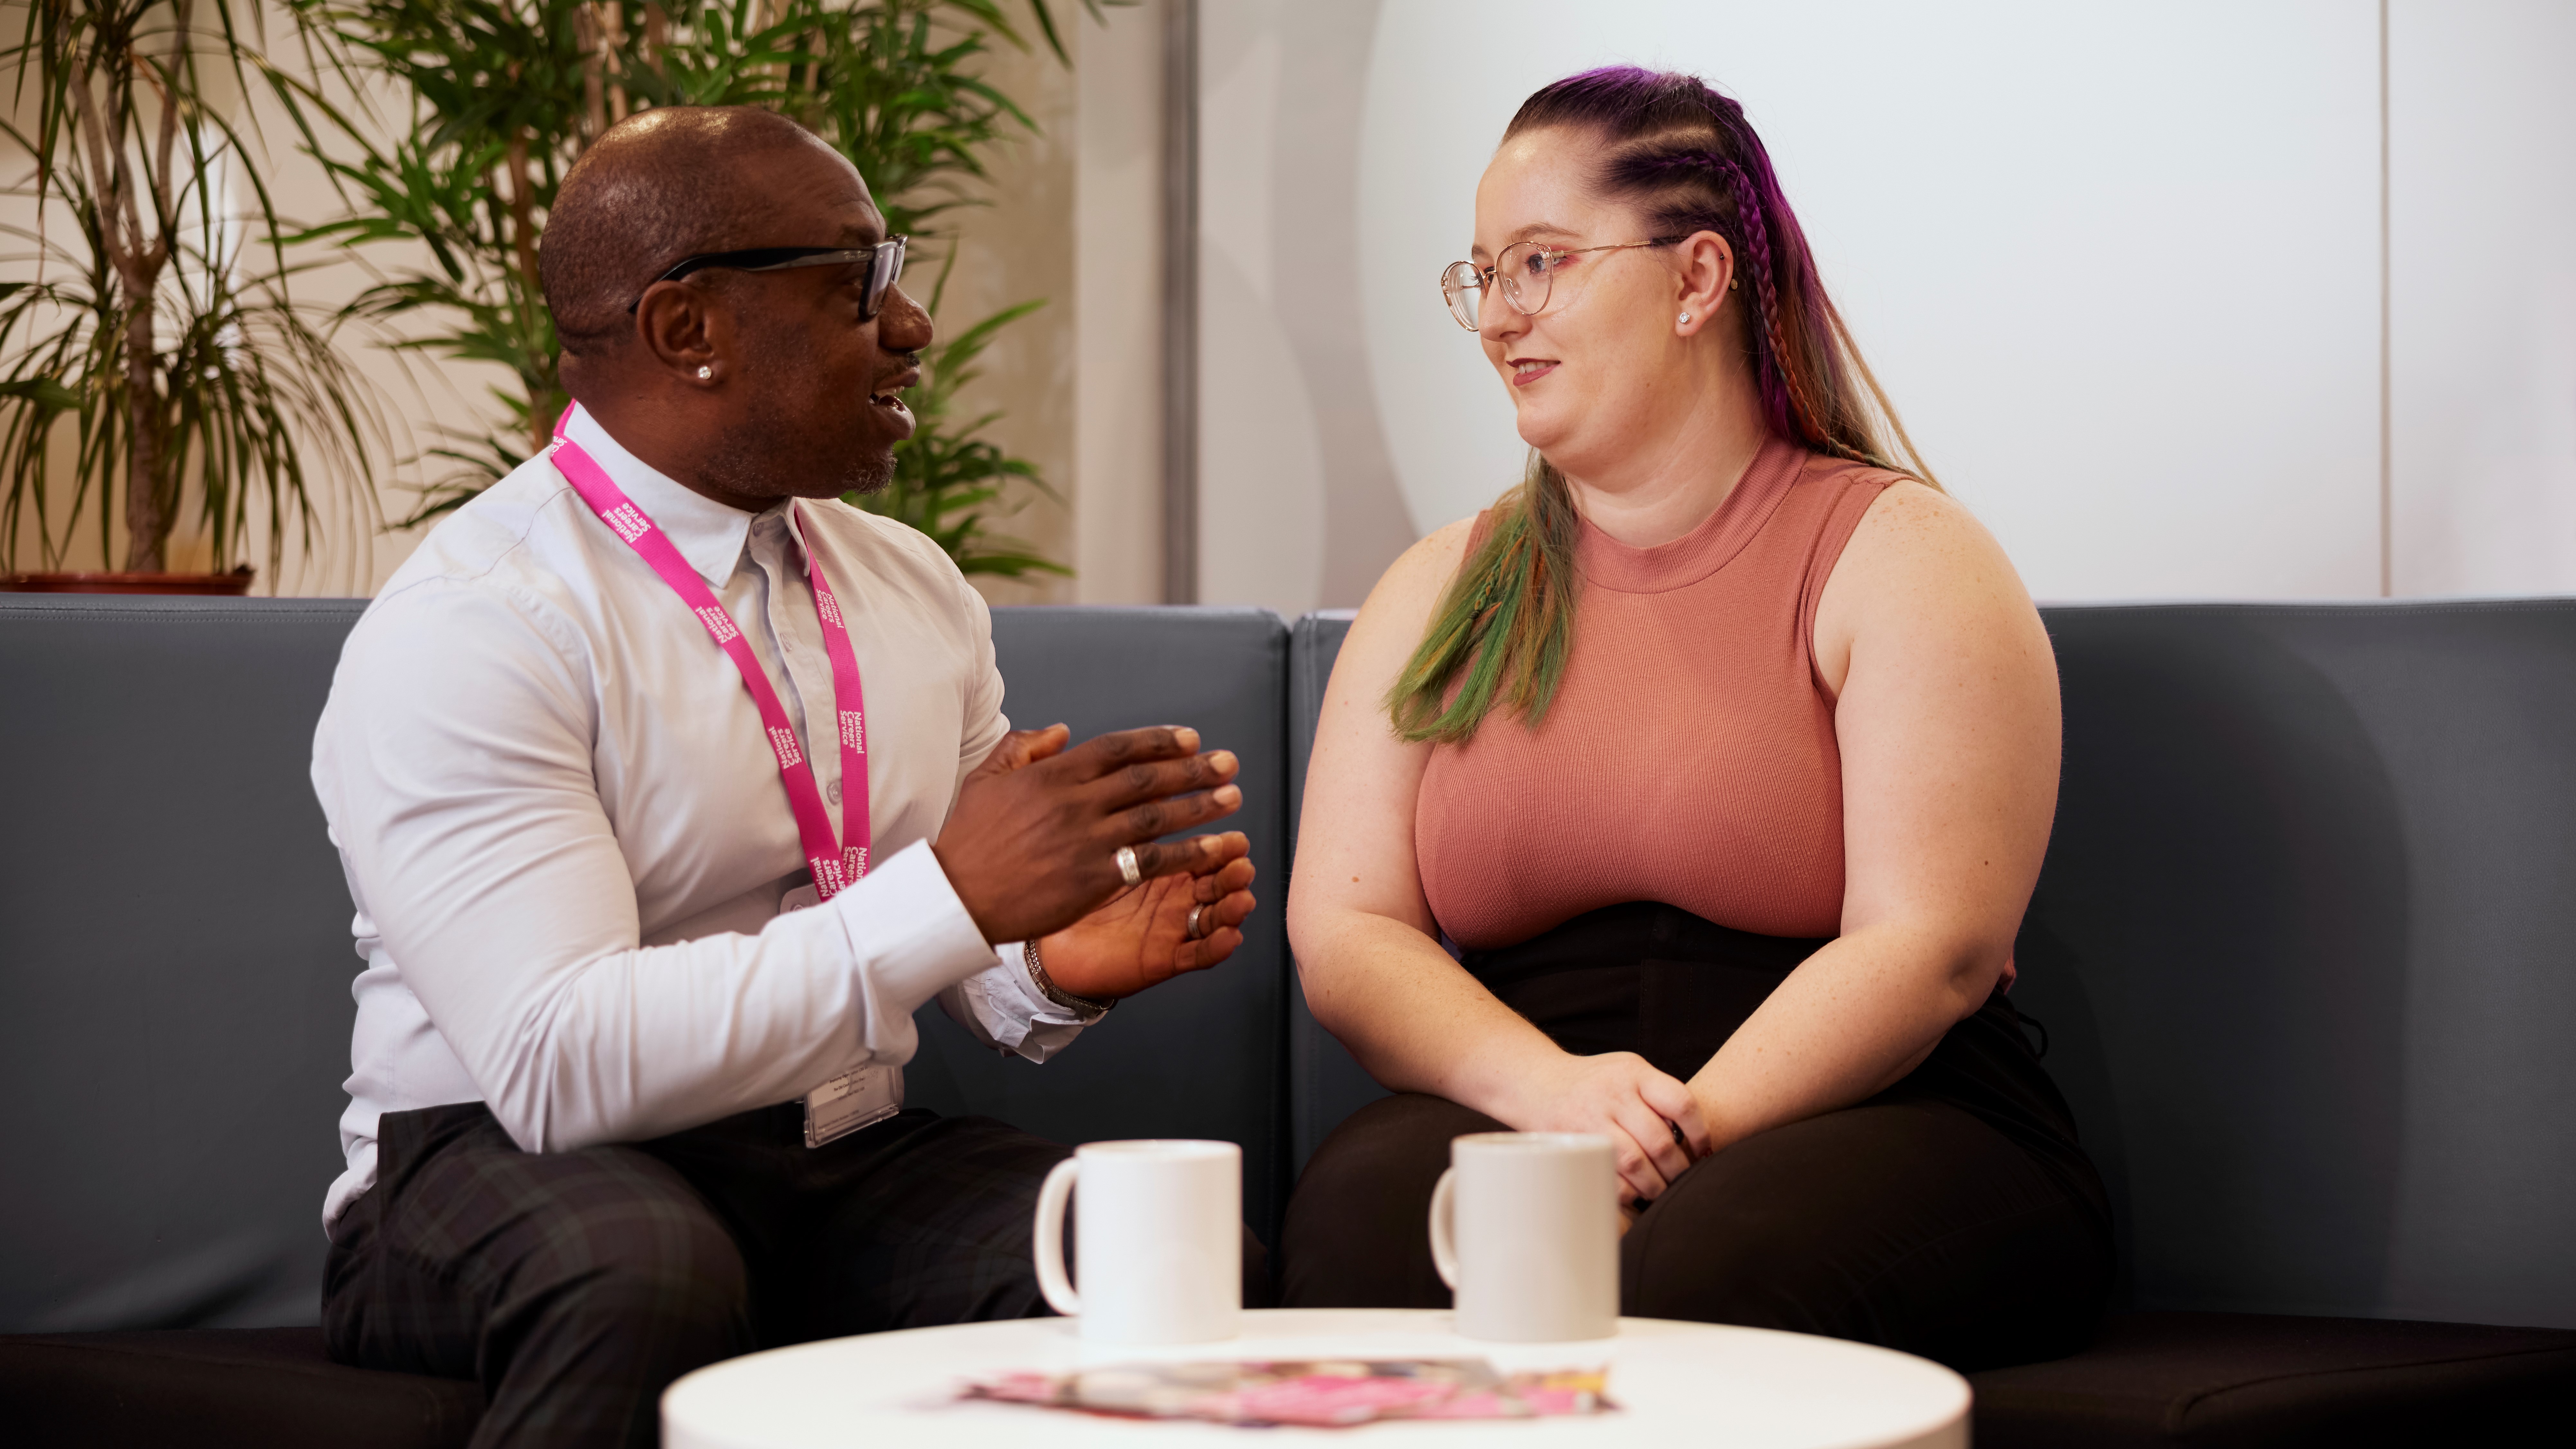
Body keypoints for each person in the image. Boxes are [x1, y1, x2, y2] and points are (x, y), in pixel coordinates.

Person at [311, 106, 1260, 1448]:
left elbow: (950, 937)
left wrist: (1048, 958)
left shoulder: (906, 582)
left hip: (821, 1143)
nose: (914, 325)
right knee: (640, 1269)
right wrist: (951, 891)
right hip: (495, 1158)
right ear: (686, 329)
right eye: (857, 284)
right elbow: (553, 1061)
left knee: (1152, 1249)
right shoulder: (476, 623)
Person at [1279, 67, 2111, 1370]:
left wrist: (1663, 1134)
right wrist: (1551, 1097)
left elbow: (1933, 947)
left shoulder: (1901, 556)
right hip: (1530, 1090)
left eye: (1540, 264)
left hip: (1872, 1104)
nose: (1497, 316)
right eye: (1481, 275)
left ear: (1695, 279)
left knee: (1715, 1264)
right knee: (1358, 1221)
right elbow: (1344, 929)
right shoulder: (1434, 583)